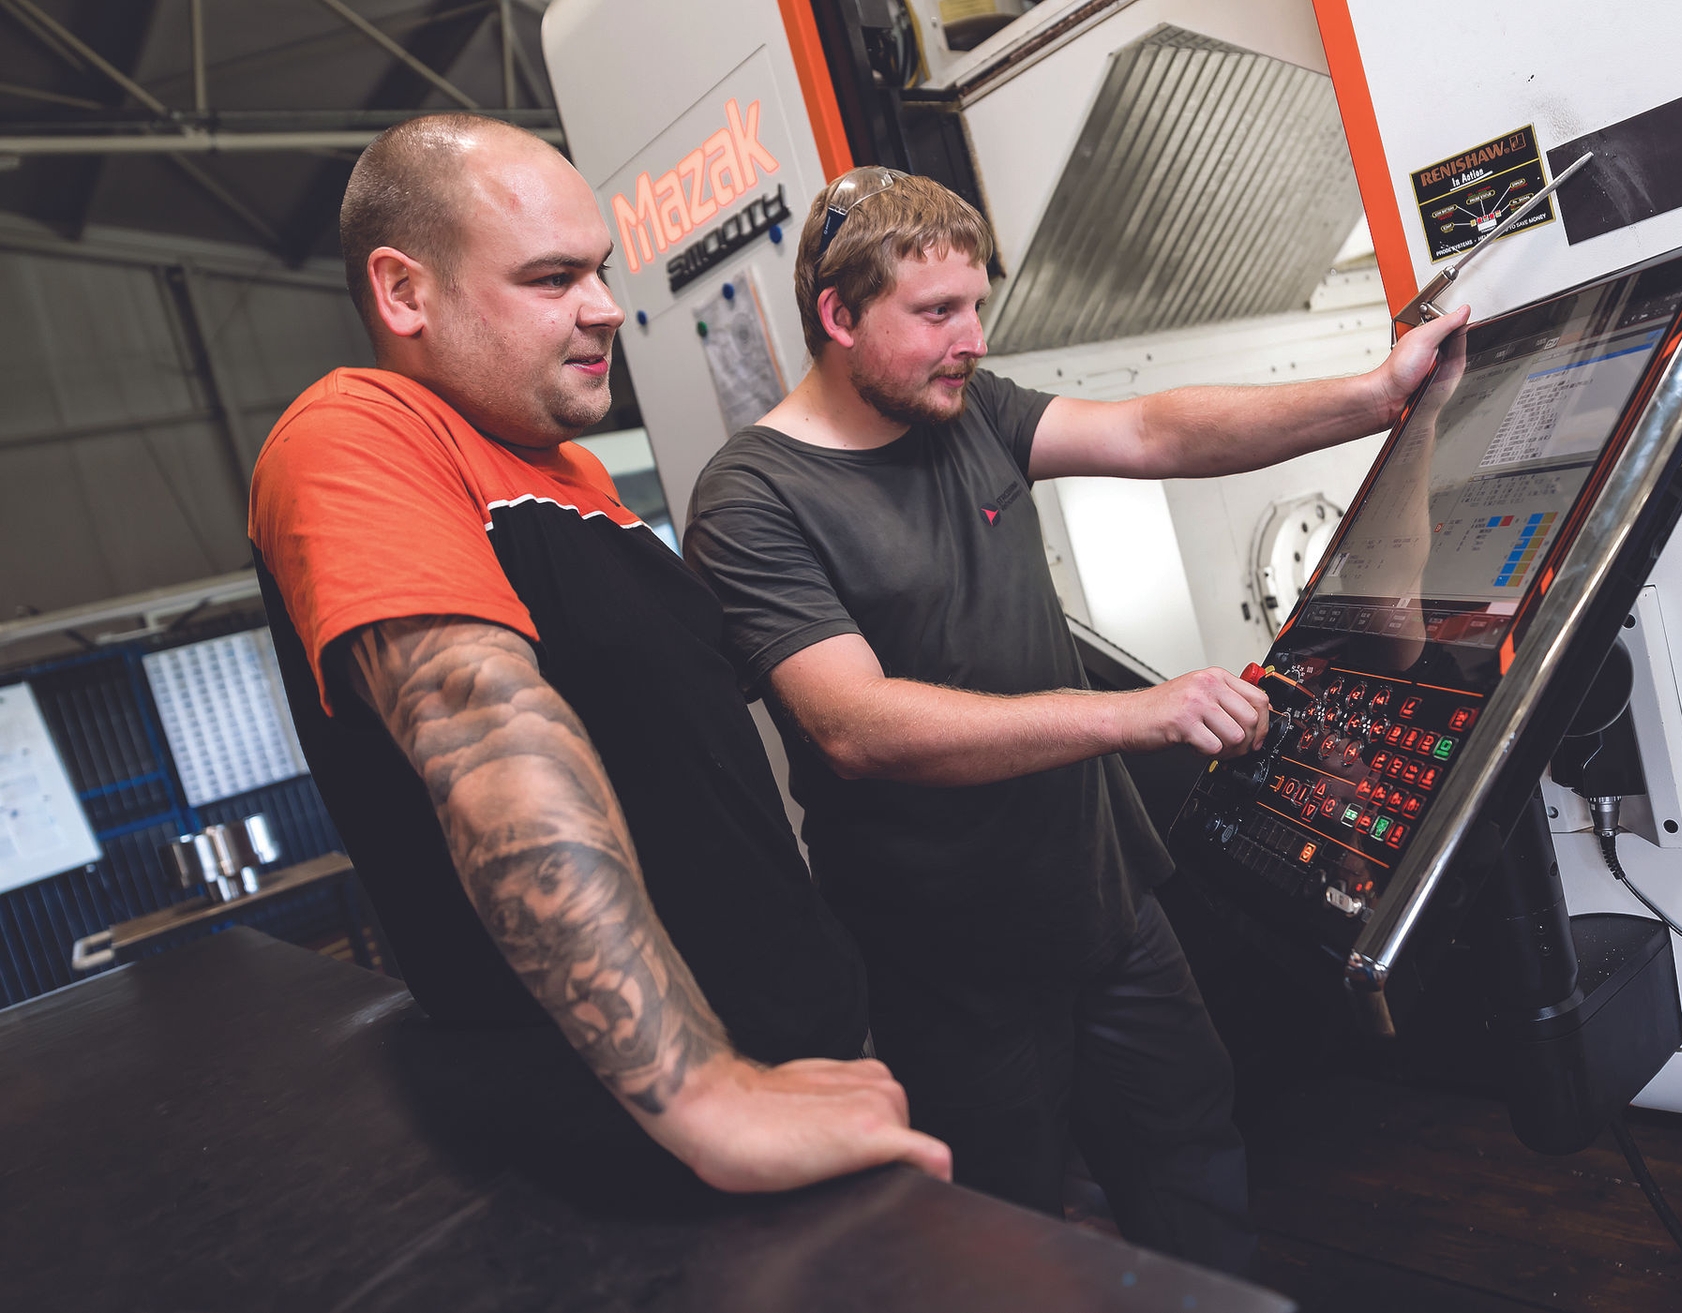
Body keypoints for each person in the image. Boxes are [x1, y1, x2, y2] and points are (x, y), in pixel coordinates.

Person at [682, 167, 1464, 1267]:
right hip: (948, 956)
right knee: (1008, 1224)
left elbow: (1151, 430)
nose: (971, 338)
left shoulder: (969, 410)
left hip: (1104, 902)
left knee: (1191, 1146)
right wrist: (1134, 715)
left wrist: (1376, 396)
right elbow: (855, 726)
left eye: (977, 304)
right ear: (838, 316)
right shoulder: (753, 498)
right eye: (937, 312)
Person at [249, 118, 949, 1194]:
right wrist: (704, 1095)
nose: (606, 307)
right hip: (646, 1127)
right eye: (552, 278)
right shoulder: (356, 435)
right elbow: (485, 734)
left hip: (795, 1051)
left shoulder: (569, 472)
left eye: (601, 270)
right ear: (403, 292)